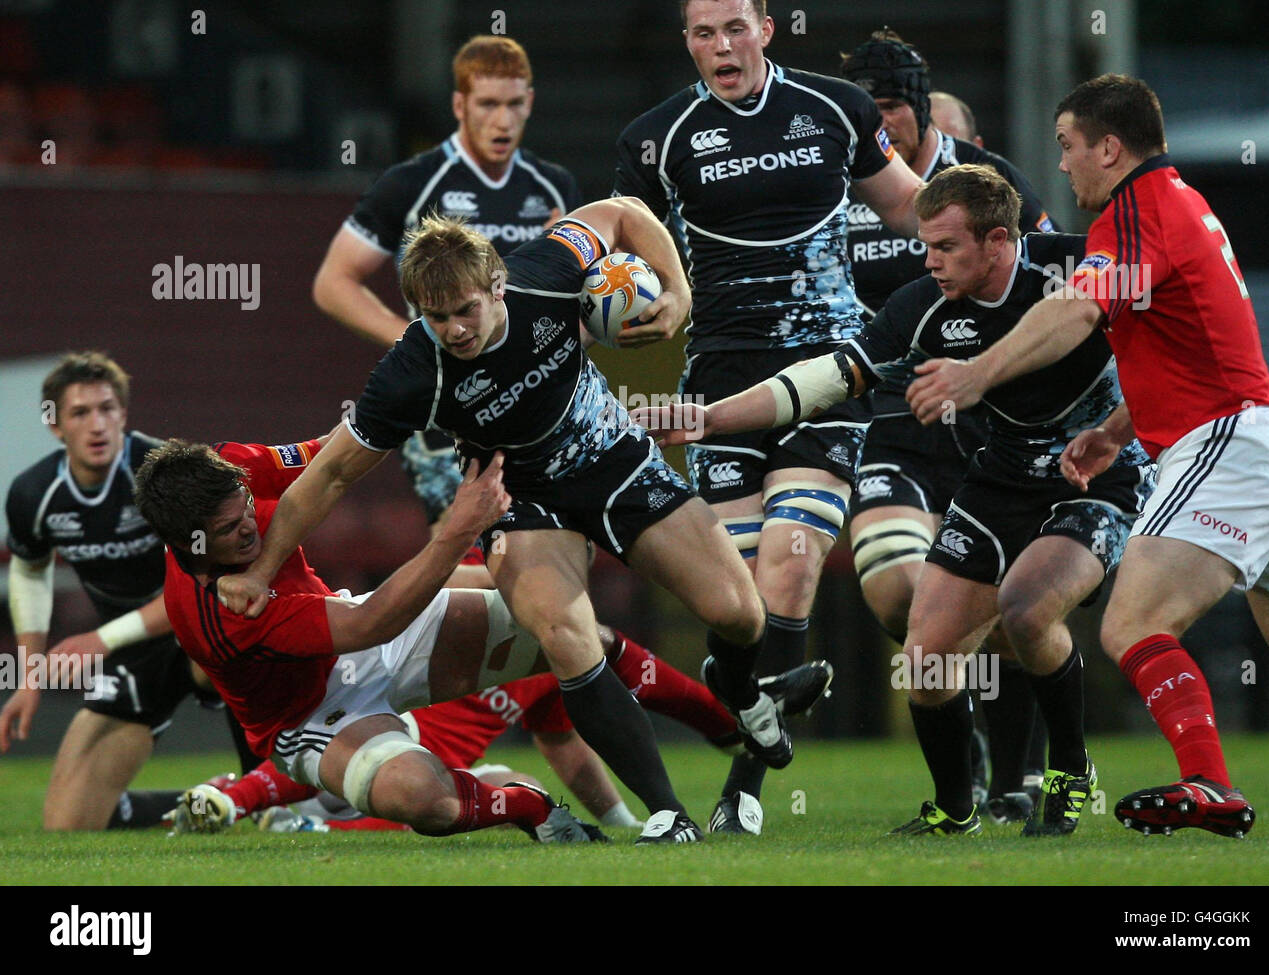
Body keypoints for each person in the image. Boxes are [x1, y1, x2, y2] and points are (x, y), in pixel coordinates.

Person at [214, 196, 793, 844]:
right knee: (567, 634)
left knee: (742, 614)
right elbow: (332, 474)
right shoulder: (412, 371)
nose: (455, 329)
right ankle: (668, 813)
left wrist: (679, 292)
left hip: (614, 458)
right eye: (438, 318)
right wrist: (262, 569)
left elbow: (623, 212)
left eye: (466, 310)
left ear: (497, 286)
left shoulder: (545, 270)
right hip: (519, 497)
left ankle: (734, 686)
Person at [637, 164, 1154, 836]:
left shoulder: (1080, 266)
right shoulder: (920, 307)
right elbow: (822, 379)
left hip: (1100, 475)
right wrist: (709, 418)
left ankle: (1070, 767)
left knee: (1025, 610)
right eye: (925, 245)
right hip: (999, 478)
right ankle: (955, 806)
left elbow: (1175, 340)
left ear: (999, 240)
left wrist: (1117, 430)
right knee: (927, 654)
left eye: (946, 247)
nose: (929, 261)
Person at [905, 74, 1269, 838]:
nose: (1062, 165)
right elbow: (1184, 342)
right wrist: (1118, 431)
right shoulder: (1176, 203)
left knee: (1133, 625)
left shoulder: (1137, 208)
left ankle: (1209, 783)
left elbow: (1078, 306)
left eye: (1068, 146)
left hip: (1229, 442)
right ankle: (1207, 781)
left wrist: (975, 371)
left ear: (1109, 148)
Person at [612, 0, 925, 832]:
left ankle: (745, 787)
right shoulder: (653, 139)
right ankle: (741, 692)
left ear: (768, 30)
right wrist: (640, 304)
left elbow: (912, 210)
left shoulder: (834, 110)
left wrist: (1010, 233)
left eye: (736, 29)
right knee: (736, 602)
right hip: (715, 377)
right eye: (705, 33)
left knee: (791, 562)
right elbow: (624, 252)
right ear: (687, 43)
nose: (722, 47)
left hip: (827, 373)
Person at [136, 435, 615, 843]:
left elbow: (333, 454)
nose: (247, 524)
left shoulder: (234, 467)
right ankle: (524, 806)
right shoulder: (225, 615)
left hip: (354, 635)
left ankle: (664, 817)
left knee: (585, 636)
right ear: (187, 542)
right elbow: (371, 622)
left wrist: (393, 410)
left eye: (244, 506)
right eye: (226, 528)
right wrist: (461, 528)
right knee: (421, 798)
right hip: (312, 716)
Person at [837, 31, 1058, 819]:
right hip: (893, 417)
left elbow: (1058, 290)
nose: (877, 127)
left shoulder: (992, 187)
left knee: (994, 608)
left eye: (889, 108)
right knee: (906, 599)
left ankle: (1012, 782)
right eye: (867, 113)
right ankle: (960, 753)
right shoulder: (844, 180)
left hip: (986, 424)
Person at [313, 35, 582, 533]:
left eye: (514, 104)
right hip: (451, 406)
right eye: (487, 104)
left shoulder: (554, 186)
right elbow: (334, 282)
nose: (502, 120)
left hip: (537, 395)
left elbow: (570, 293)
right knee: (468, 543)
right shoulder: (413, 184)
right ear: (460, 105)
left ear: (531, 103)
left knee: (558, 547)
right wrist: (413, 340)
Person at [171, 645, 833, 836]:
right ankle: (251, 805)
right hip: (370, 761)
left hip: (429, 781)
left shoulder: (553, 646)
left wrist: (623, 820)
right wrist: (242, 793)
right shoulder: (459, 614)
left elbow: (566, 745)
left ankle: (742, 716)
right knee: (370, 770)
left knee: (479, 782)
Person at [1, 352, 254, 830]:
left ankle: (270, 797)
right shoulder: (33, 495)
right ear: (56, 426)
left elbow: (204, 581)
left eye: (108, 408)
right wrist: (30, 676)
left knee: (234, 653)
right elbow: (29, 572)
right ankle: (216, 802)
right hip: (134, 650)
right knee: (67, 825)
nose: (98, 424)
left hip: (201, 627)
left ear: (123, 413)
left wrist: (100, 640)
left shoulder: (163, 476)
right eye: (80, 413)